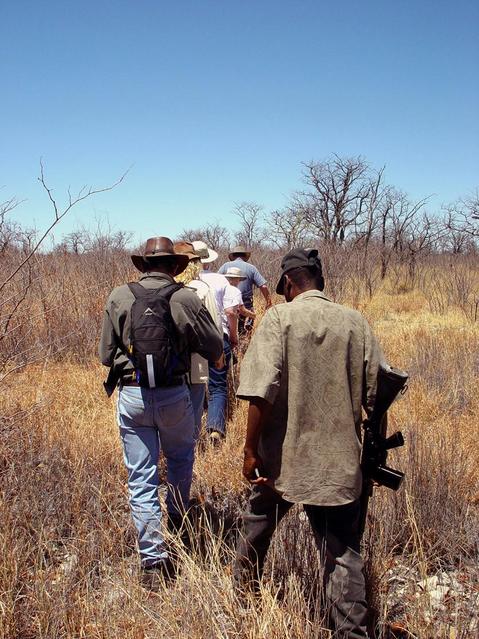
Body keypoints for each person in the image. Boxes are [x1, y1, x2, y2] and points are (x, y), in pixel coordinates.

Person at [234, 247, 384, 639]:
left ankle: (241, 597)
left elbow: (257, 393)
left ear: (287, 282)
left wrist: (250, 451)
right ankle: (352, 632)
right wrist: (371, 456)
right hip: (339, 461)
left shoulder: (279, 319)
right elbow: (377, 398)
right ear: (320, 280)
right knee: (342, 553)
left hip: (280, 458)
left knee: (257, 525)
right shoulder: (356, 322)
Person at [99, 237, 223, 588]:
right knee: (181, 459)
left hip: (133, 397)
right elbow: (213, 346)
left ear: (144, 265)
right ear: (175, 266)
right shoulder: (185, 297)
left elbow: (106, 355)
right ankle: (180, 523)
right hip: (174, 395)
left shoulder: (119, 295)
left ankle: (152, 562)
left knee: (141, 476)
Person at [173, 241, 224, 441]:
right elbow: (214, 326)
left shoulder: (164, 288)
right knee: (193, 406)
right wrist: (218, 353)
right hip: (196, 359)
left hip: (168, 359)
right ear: (194, 264)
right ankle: (189, 449)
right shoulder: (200, 289)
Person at [192, 240, 240, 444]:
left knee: (196, 383)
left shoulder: (184, 282)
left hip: (194, 342)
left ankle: (194, 430)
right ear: (208, 260)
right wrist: (234, 336)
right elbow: (230, 311)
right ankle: (215, 428)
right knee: (218, 386)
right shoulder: (222, 281)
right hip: (218, 337)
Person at [218, 245, 271, 332]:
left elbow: (217, 281)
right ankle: (243, 342)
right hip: (246, 303)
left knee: (228, 328)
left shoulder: (225, 266)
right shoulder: (251, 268)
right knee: (244, 332)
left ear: (233, 256)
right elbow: (263, 286)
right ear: (244, 256)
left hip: (227, 303)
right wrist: (269, 302)